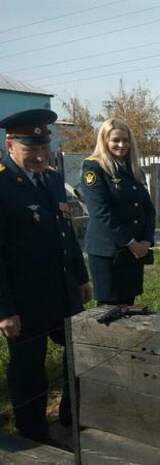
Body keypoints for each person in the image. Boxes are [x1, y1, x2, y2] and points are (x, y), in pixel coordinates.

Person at [0, 109, 91, 441]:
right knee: (29, 369)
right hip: (25, 300)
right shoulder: (3, 184)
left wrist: (81, 278)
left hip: (62, 291)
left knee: (76, 355)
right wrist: (5, 310)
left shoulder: (53, 179)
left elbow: (65, 232)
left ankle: (70, 417)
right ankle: (33, 432)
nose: (39, 156)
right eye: (31, 150)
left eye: (43, 148)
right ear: (10, 145)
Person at [81, 118, 156, 306]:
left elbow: (147, 208)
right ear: (105, 141)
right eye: (115, 140)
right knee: (110, 311)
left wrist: (146, 240)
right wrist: (131, 243)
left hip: (134, 251)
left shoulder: (132, 169)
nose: (121, 145)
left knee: (128, 306)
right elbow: (101, 213)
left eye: (125, 140)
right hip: (109, 253)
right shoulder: (94, 168)